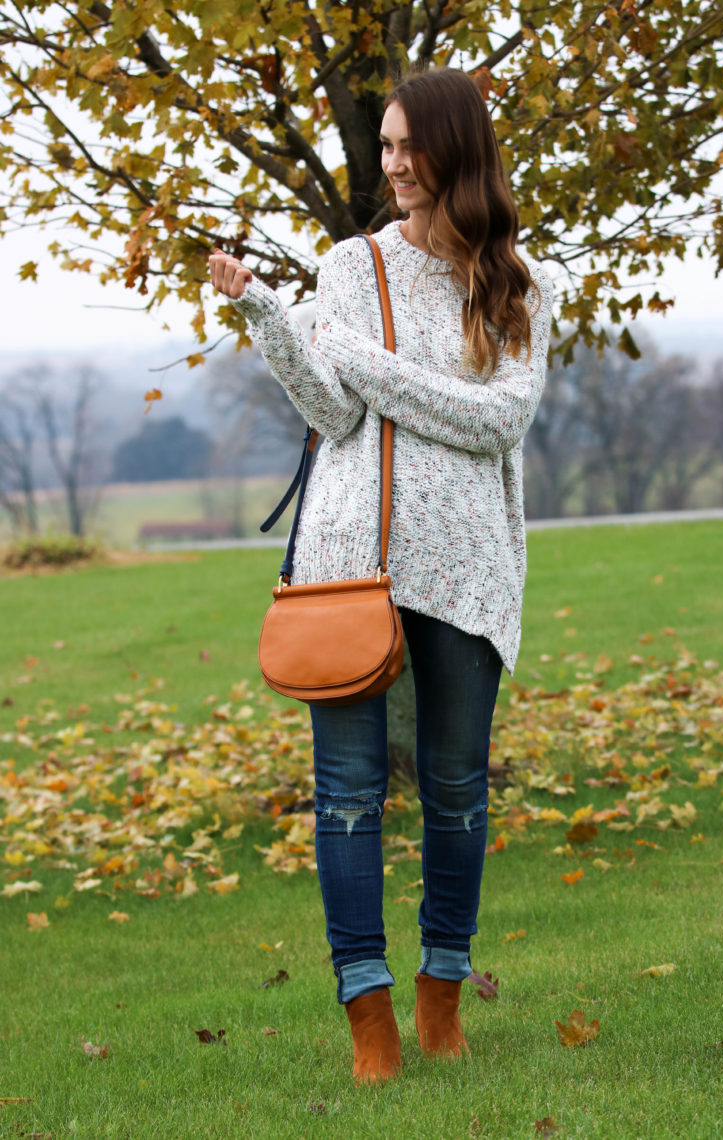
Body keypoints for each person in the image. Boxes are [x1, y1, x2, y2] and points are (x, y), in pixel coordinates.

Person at [209, 67, 553, 1084]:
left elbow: (498, 419)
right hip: (349, 565)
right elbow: (337, 413)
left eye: (411, 146)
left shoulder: (523, 280)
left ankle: (442, 994)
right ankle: (368, 1017)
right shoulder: (346, 265)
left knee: (454, 791)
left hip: (466, 568)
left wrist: (360, 356)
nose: (393, 164)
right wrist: (275, 319)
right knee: (347, 799)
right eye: (387, 145)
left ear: (458, 149)